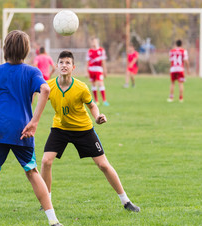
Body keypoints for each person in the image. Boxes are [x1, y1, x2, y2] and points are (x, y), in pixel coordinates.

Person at [0, 30, 71, 226]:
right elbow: (46, 91)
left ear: (5, 49)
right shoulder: (32, 72)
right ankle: (54, 222)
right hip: (23, 130)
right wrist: (35, 121)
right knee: (32, 172)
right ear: (27, 49)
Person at [41, 50, 140, 213]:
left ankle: (126, 201)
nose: (64, 65)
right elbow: (31, 94)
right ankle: (46, 200)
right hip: (60, 128)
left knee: (103, 165)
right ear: (57, 66)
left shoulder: (81, 87)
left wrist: (97, 117)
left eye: (67, 63)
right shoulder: (49, 86)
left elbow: (92, 105)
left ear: (73, 67)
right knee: (46, 161)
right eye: (61, 62)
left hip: (83, 129)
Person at [86, 37, 109, 106]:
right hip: (91, 69)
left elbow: (103, 61)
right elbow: (87, 62)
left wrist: (105, 70)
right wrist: (86, 71)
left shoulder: (101, 50)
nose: (94, 43)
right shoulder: (89, 51)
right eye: (92, 42)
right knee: (93, 84)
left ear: (97, 42)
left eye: (95, 41)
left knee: (100, 84)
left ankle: (104, 100)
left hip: (99, 69)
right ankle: (96, 100)